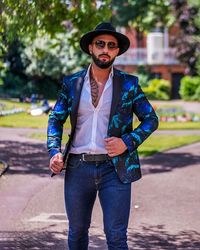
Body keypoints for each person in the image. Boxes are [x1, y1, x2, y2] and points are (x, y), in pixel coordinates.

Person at [47, 22, 159, 250]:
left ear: (117, 51)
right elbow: (55, 119)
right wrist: (55, 151)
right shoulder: (72, 83)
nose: (105, 49)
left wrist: (127, 142)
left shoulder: (129, 85)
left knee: (116, 237)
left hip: (114, 169)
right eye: (100, 44)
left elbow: (151, 119)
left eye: (111, 45)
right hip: (78, 168)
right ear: (91, 48)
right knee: (77, 233)